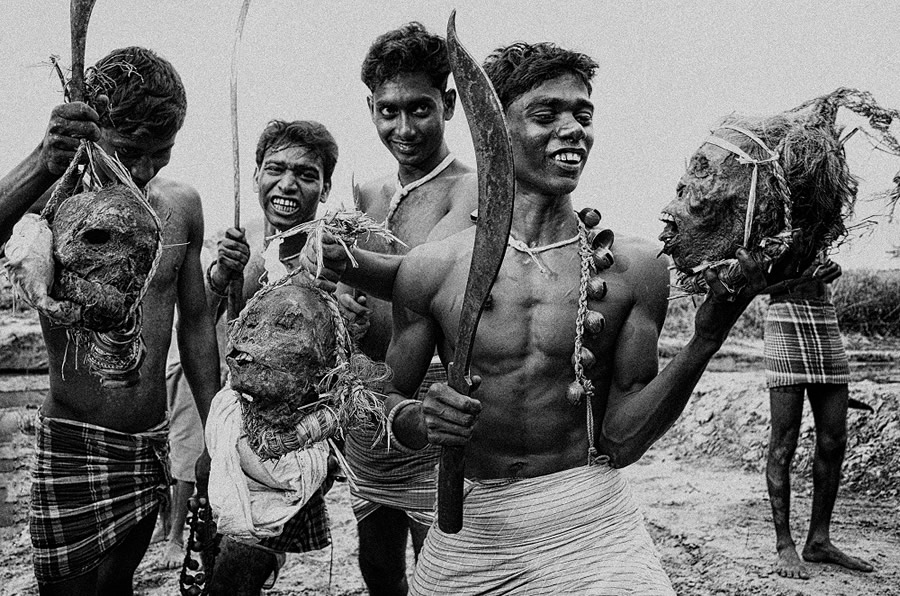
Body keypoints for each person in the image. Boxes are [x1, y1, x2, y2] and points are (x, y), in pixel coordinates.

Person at [350, 41, 781, 594]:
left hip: (590, 523)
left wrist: (704, 341)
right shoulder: (433, 268)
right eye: (545, 114)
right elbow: (386, 403)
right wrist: (419, 419)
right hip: (473, 531)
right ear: (494, 130)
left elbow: (623, 440)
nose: (572, 128)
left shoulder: (634, 267)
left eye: (582, 113)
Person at [0, 47, 221, 595]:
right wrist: (39, 160)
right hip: (72, 441)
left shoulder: (180, 207)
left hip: (147, 441)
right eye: (129, 152)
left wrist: (216, 433)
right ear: (94, 137)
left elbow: (195, 323)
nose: (144, 170)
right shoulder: (57, 201)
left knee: (117, 584)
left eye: (160, 154)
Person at [202, 119, 366, 595]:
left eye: (306, 174)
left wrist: (345, 305)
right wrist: (218, 278)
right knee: (221, 547)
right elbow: (198, 324)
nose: (288, 184)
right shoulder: (241, 246)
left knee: (244, 556)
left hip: (297, 437)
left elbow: (357, 347)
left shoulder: (336, 252)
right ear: (255, 175)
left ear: (326, 185)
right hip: (230, 418)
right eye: (275, 169)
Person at [342, 22, 477, 595]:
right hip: (370, 397)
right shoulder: (367, 193)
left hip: (433, 400)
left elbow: (420, 281)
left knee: (438, 566)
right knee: (376, 559)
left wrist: (343, 264)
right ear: (370, 107)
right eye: (388, 111)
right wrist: (345, 301)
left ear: (447, 104)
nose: (404, 127)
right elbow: (369, 299)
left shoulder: (470, 190)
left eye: (419, 108)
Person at [763, 256, 874, 579]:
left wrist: (828, 272)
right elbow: (753, 287)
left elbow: (815, 269)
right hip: (784, 318)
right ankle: (785, 546)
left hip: (824, 319)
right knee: (784, 442)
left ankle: (819, 540)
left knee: (834, 439)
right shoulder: (769, 219)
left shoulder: (820, 219)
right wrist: (800, 279)